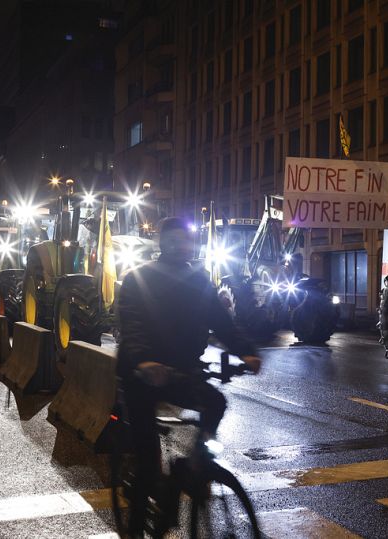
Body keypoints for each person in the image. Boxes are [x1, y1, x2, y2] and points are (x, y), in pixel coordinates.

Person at [117, 217, 261, 537]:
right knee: (147, 463)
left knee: (216, 402)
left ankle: (194, 466)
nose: (182, 245)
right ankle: (137, 528)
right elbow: (133, 326)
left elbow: (223, 323)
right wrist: (144, 361)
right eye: (175, 239)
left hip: (180, 372)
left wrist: (247, 352)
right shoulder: (138, 278)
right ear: (162, 242)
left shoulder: (200, 282)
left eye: (186, 240)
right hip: (141, 377)